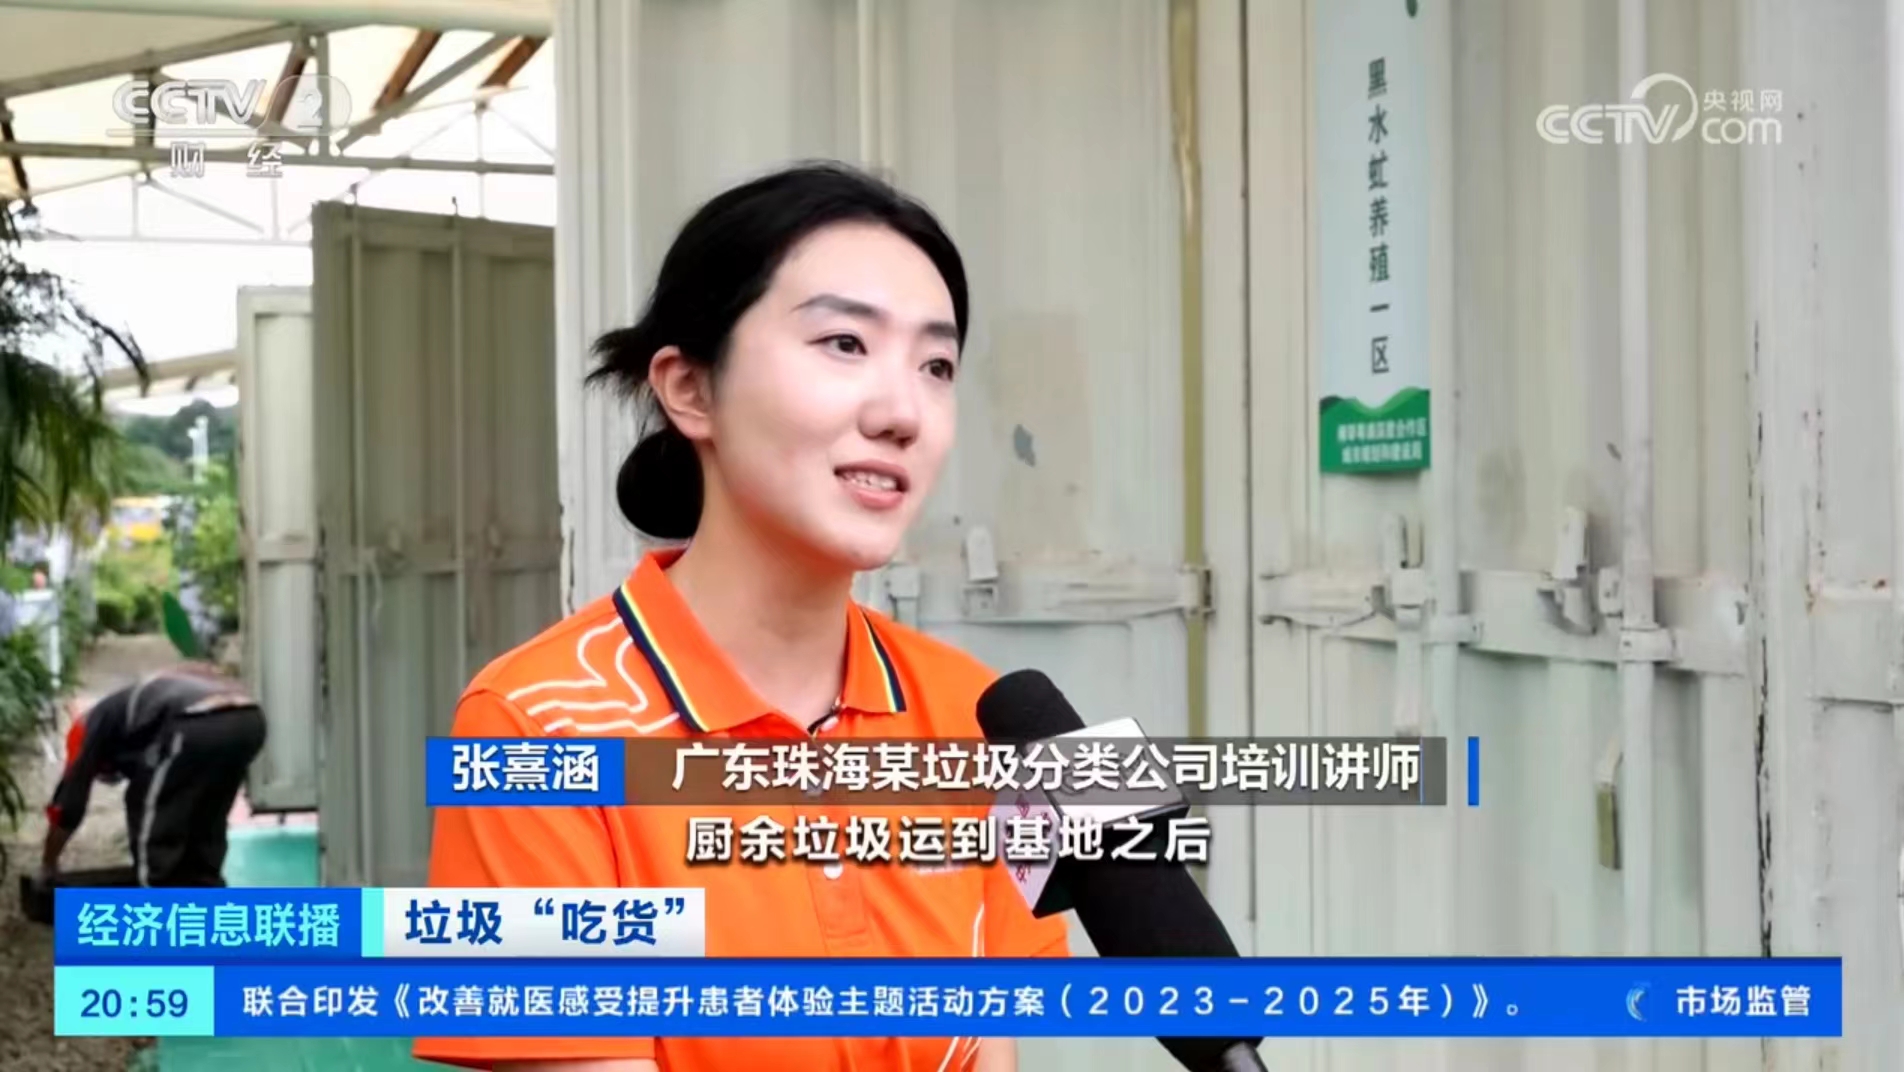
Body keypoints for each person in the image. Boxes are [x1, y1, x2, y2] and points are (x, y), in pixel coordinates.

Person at [415, 162, 1069, 1072]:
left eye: (936, 365)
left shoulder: (977, 716)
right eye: (844, 343)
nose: (903, 413)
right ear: (690, 388)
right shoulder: (536, 728)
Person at [40, 662, 267, 888]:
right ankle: (205, 892)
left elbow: (68, 806)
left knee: (150, 813)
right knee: (208, 816)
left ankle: (158, 894)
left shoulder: (89, 730)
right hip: (250, 720)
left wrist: (49, 863)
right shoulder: (134, 714)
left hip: (194, 721)